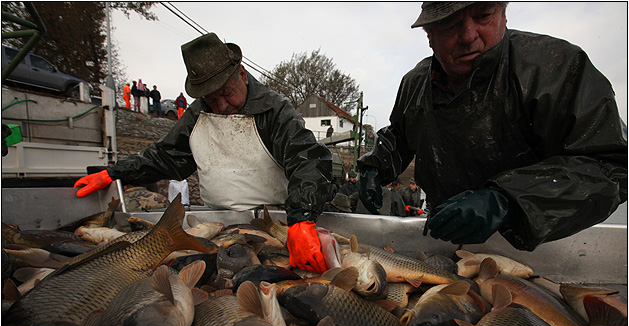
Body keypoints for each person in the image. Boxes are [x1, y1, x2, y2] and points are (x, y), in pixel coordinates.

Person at [357, 1, 627, 251]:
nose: (468, 35)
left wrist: (509, 200)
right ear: (430, 35)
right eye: (451, 23)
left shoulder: (557, 68)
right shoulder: (414, 84)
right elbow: (400, 134)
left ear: (503, 15)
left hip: (545, 245)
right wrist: (375, 166)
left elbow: (611, 165)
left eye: (483, 15)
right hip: (445, 238)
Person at [73, 32, 333, 273]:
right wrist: (114, 172)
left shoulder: (275, 111)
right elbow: (165, 157)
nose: (221, 105)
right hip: (218, 226)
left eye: (227, 93)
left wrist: (301, 218)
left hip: (275, 223)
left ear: (242, 74)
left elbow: (308, 158)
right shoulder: (196, 115)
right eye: (210, 99)